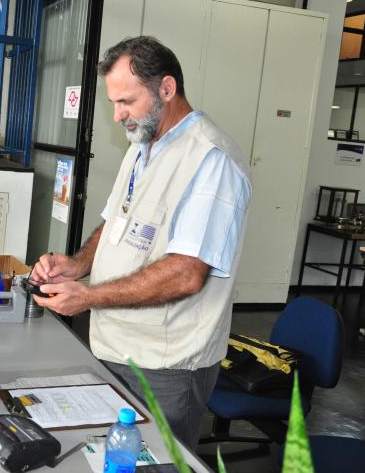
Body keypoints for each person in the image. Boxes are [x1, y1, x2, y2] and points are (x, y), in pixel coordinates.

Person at [30, 36, 251, 449]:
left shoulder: (209, 159)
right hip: (114, 343)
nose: (117, 116)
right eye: (114, 103)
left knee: (155, 459)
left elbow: (186, 274)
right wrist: (78, 265)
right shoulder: (142, 145)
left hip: (166, 365)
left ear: (166, 89)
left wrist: (89, 296)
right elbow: (116, 219)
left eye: (126, 102)